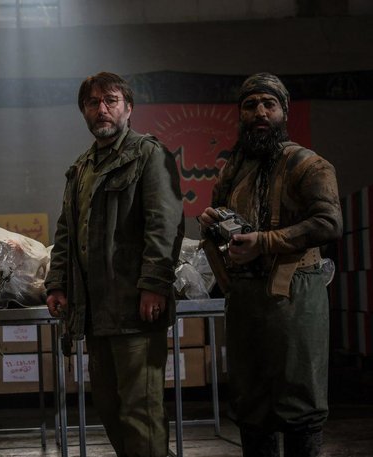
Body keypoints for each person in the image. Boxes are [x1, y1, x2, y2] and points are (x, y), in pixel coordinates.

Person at [199, 73, 342, 457]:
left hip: (295, 296)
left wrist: (264, 242)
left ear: (284, 112)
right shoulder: (232, 170)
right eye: (250, 105)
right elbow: (222, 219)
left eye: (269, 104)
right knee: (251, 407)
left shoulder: (307, 164)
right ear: (240, 114)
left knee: (299, 405)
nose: (260, 112)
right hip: (245, 299)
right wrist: (213, 223)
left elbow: (329, 223)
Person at [44, 72, 184, 457]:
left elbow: (165, 223)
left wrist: (154, 283)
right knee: (110, 409)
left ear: (129, 107)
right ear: (84, 112)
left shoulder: (149, 154)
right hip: (96, 312)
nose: (101, 109)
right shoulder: (81, 168)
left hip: (135, 308)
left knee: (141, 412)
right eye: (93, 102)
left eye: (111, 100)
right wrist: (57, 283)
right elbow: (66, 231)